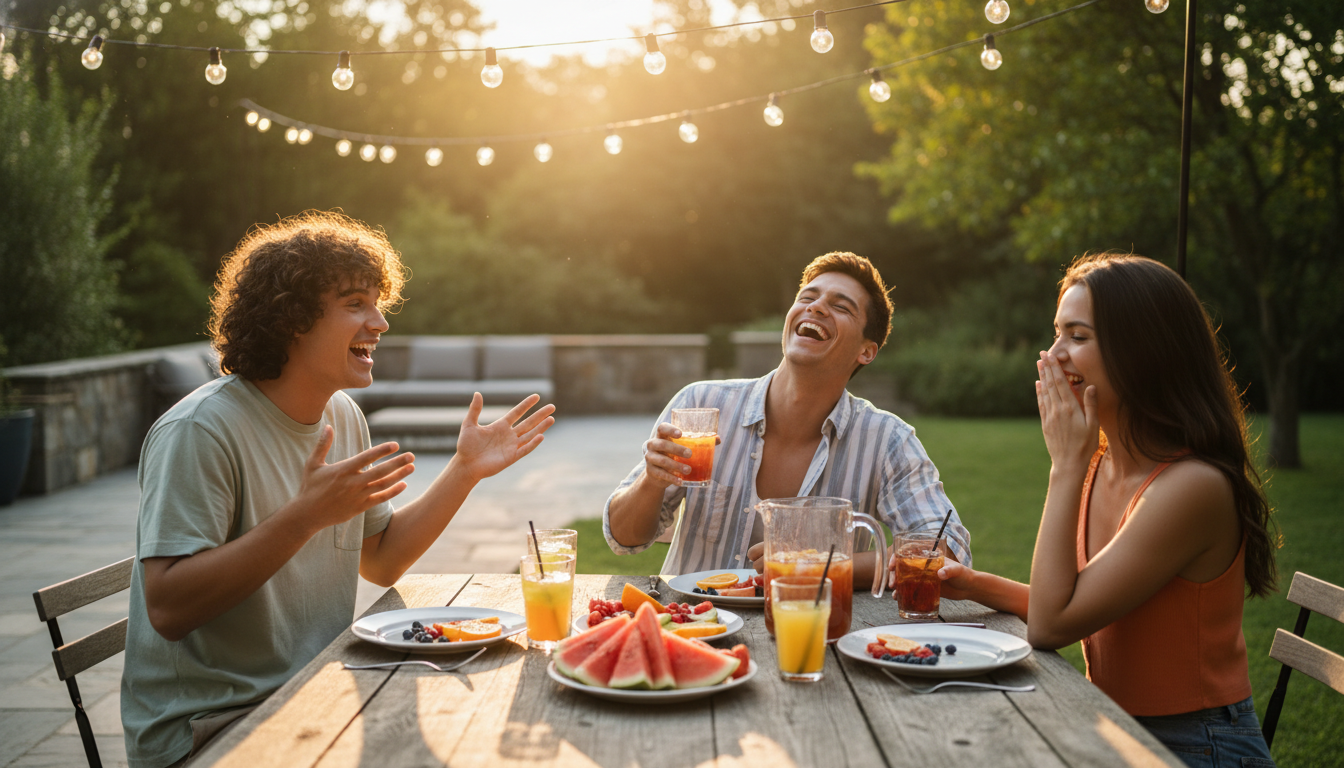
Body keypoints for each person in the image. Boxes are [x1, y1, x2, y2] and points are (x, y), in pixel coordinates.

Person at [120, 211, 555, 768]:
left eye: (377, 303)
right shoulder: (199, 431)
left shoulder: (342, 415)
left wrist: (464, 470)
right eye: (355, 303)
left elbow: (382, 560)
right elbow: (168, 608)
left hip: (315, 692)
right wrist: (304, 517)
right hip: (211, 727)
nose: (380, 322)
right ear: (291, 319)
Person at [936, 253, 1278, 767]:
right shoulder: (1104, 464)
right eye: (1057, 333)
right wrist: (971, 583)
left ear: (1143, 351)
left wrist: (1064, 468)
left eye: (1077, 336)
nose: (1054, 355)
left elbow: (1051, 625)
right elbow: (1077, 604)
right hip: (1115, 725)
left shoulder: (1191, 487)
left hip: (1196, 743)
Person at [604, 251, 970, 584]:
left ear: (866, 351)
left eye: (840, 306)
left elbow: (947, 551)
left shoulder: (887, 440)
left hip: (813, 629)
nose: (817, 307)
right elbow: (623, 539)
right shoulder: (702, 402)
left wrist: (816, 564)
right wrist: (652, 481)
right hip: (694, 622)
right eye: (807, 298)